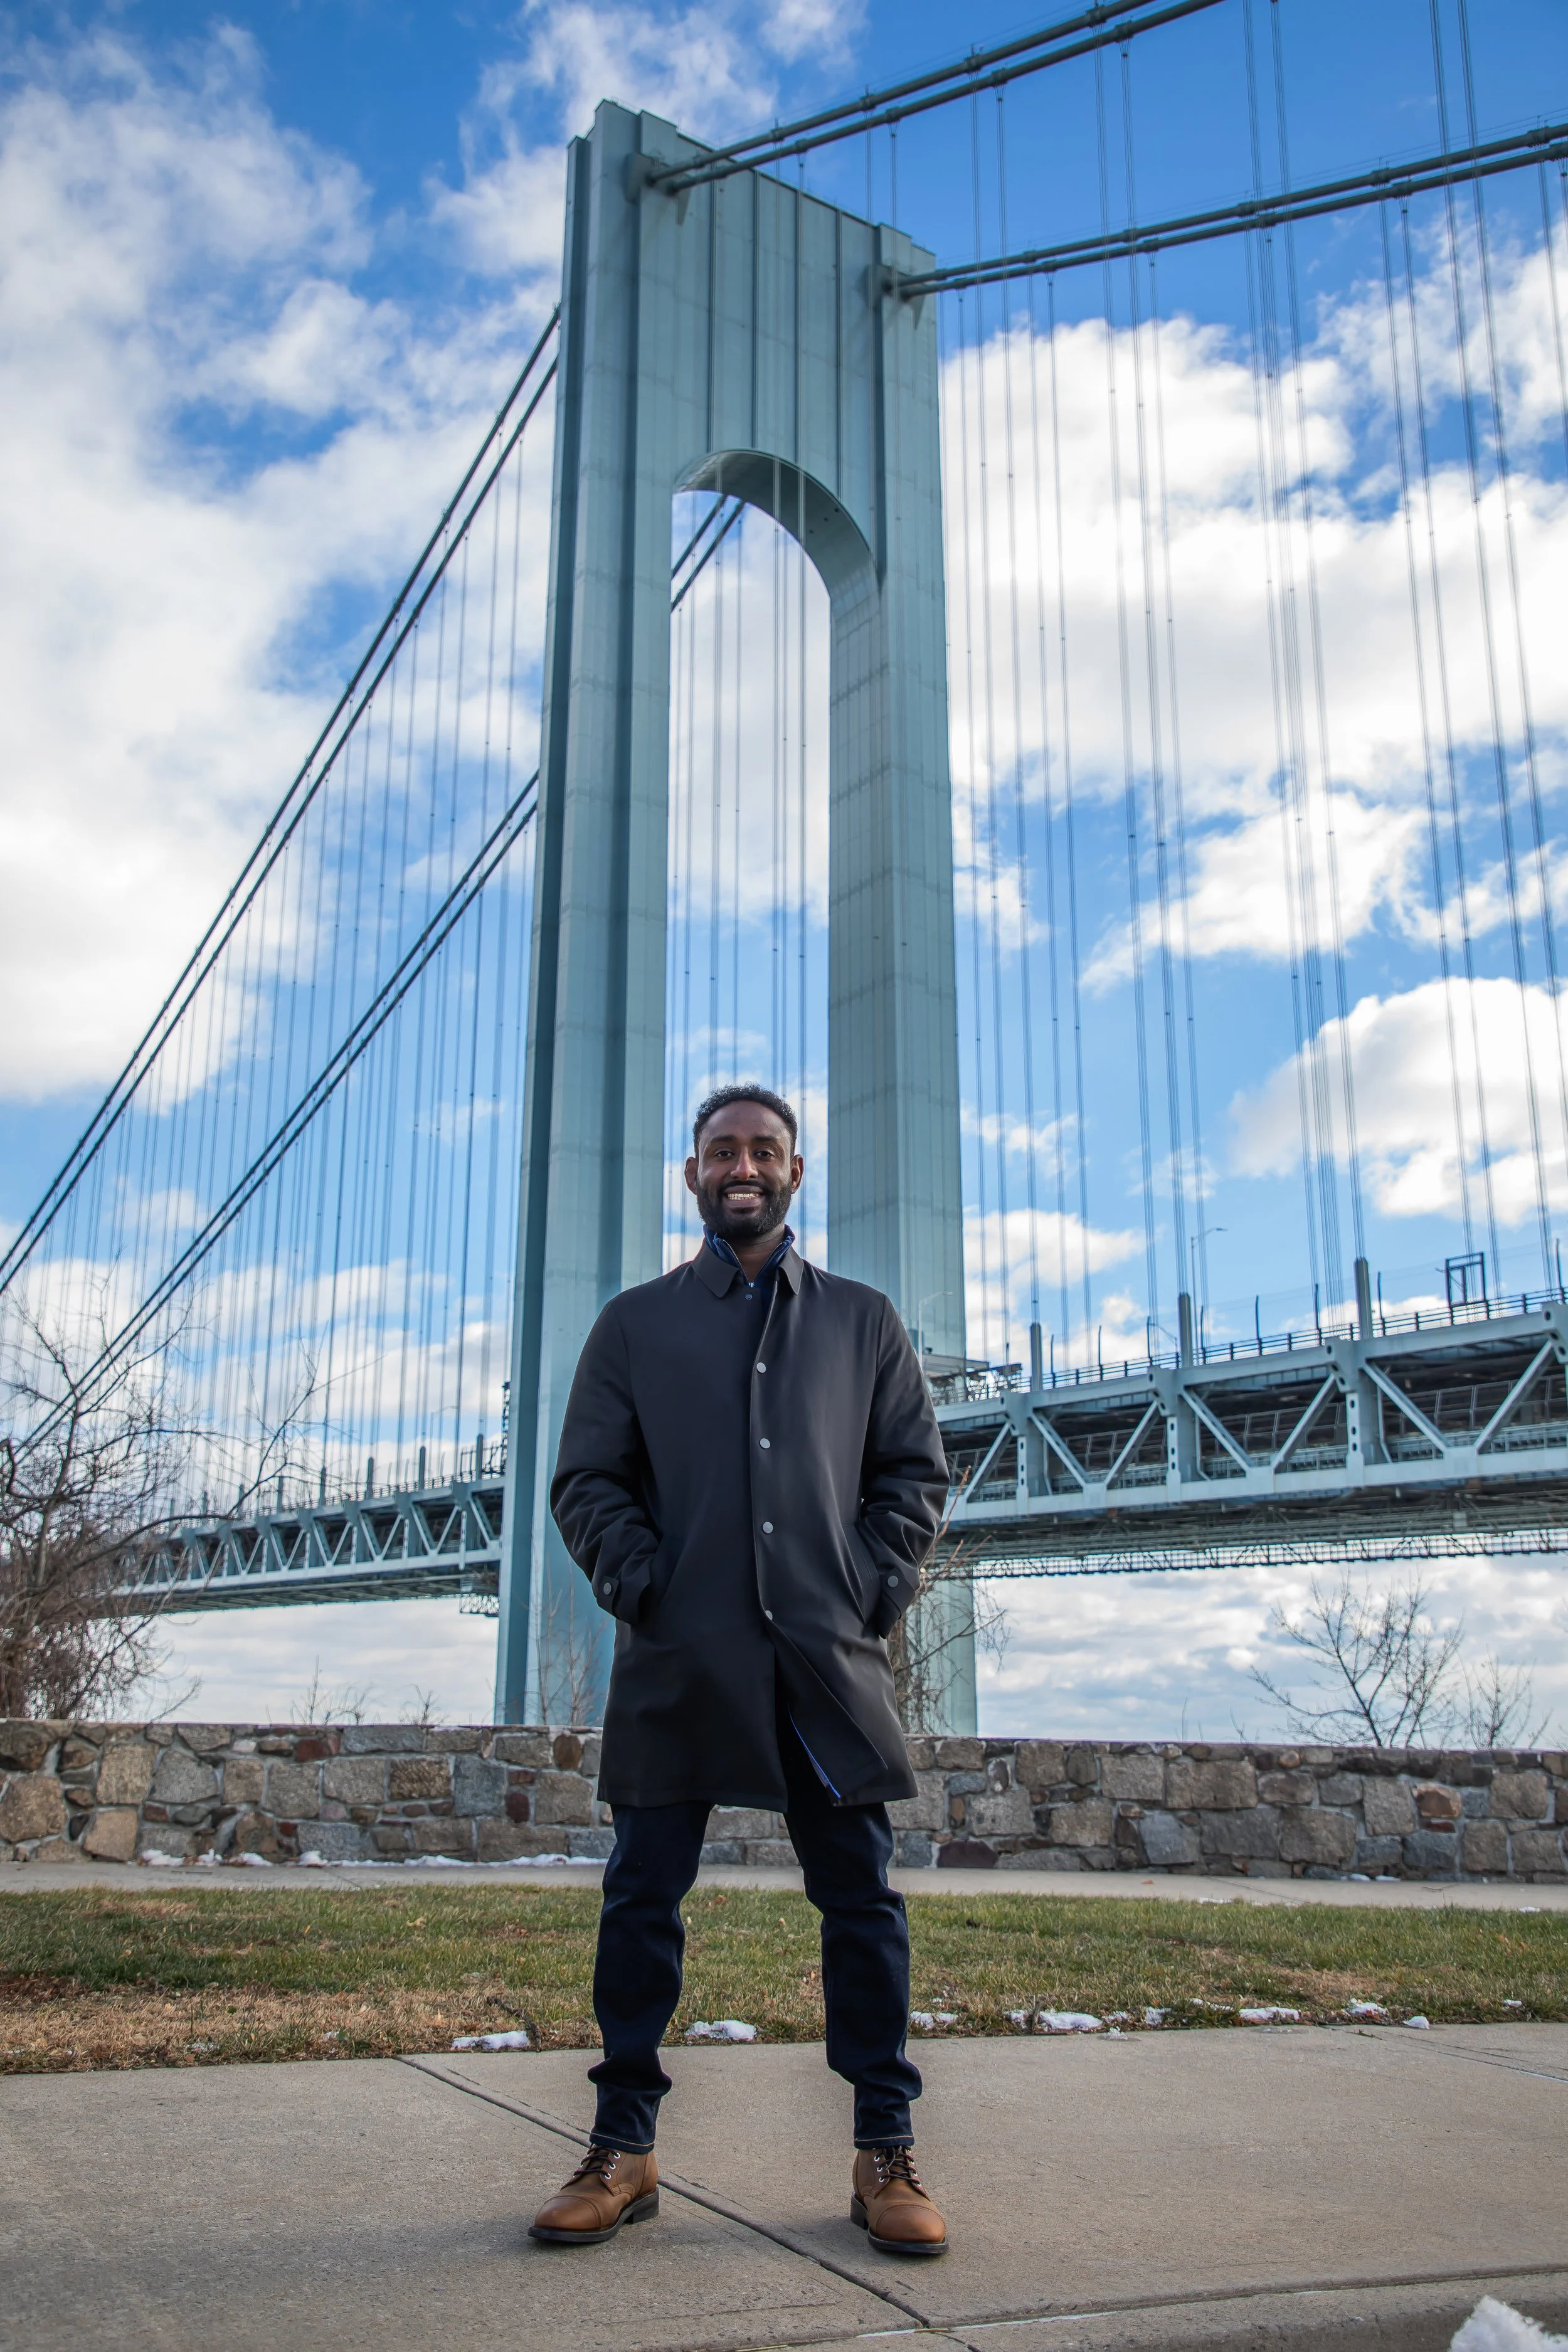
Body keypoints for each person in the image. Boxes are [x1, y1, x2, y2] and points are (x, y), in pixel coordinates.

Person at [529, 1084, 950, 2257]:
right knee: (640, 1903)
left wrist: (866, 1587)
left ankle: (884, 2149)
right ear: (694, 1176)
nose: (743, 1166)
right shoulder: (633, 1325)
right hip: (677, 1659)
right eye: (723, 1151)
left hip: (826, 1663)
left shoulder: (865, 1323)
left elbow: (913, 1477)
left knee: (862, 1908)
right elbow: (586, 1482)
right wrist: (643, 1584)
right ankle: (625, 2144)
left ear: (796, 1174)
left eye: (765, 1149)